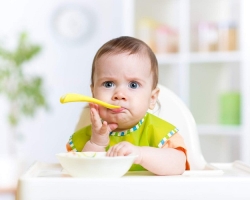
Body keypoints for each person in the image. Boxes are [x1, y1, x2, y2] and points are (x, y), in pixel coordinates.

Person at [66, 36, 190, 175]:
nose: (119, 94)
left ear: (152, 98)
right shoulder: (87, 137)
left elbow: (178, 165)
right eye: (108, 84)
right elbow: (81, 173)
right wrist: (97, 143)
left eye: (133, 85)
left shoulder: (160, 133)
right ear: (93, 94)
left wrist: (141, 154)